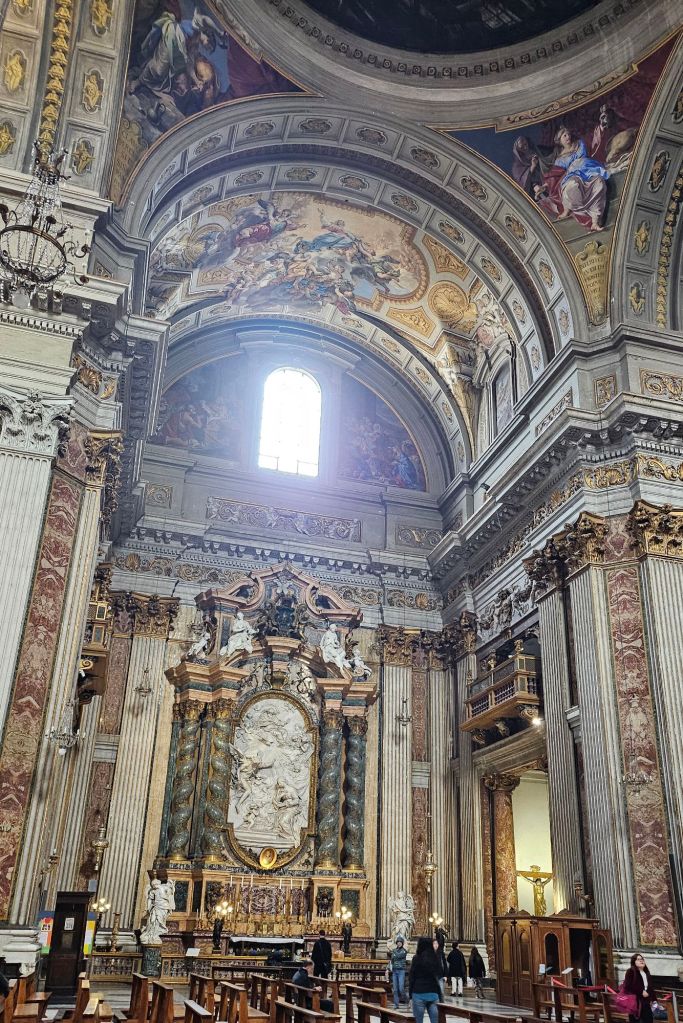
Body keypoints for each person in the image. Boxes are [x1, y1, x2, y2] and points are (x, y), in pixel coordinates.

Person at [409, 935, 444, 1023]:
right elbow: (440, 973)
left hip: (418, 992)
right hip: (433, 993)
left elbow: (412, 977)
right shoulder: (435, 958)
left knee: (418, 1021)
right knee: (435, 1021)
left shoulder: (416, 958)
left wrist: (410, 995)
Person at [623, 953, 656, 1023]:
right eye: (638, 959)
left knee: (649, 1020)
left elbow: (651, 987)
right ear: (634, 962)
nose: (641, 961)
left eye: (642, 959)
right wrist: (641, 992)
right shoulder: (631, 971)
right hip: (635, 1002)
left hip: (646, 1002)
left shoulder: (646, 972)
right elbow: (627, 986)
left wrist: (654, 1000)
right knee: (635, 1021)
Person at [390, 935, 408, 1008]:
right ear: (396, 943)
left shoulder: (404, 951)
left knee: (401, 988)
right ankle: (396, 1004)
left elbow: (398, 956)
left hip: (401, 971)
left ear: (402, 943)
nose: (399, 943)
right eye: (398, 942)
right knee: (395, 989)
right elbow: (392, 960)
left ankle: (407, 1000)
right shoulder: (394, 951)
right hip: (395, 971)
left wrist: (394, 953)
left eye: (400, 942)